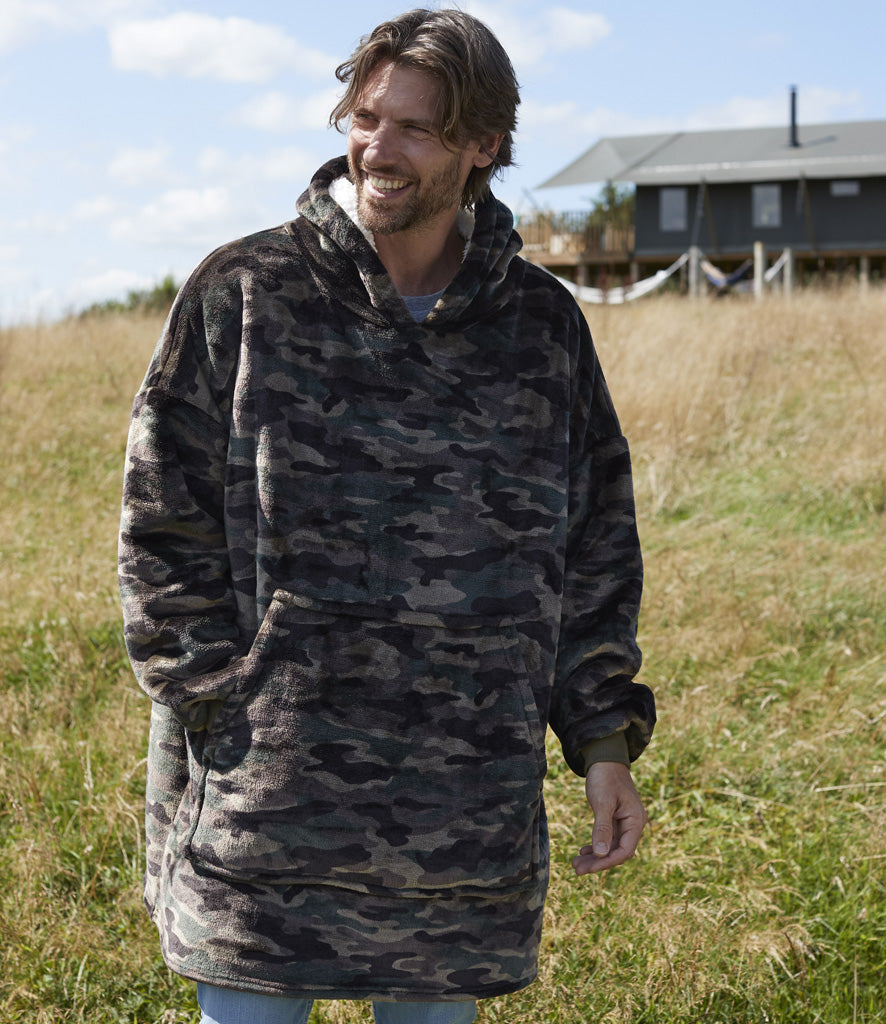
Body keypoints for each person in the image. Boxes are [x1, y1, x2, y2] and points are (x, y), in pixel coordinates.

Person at [118, 9, 656, 1024]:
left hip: (461, 837)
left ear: (483, 144)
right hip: (263, 827)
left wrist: (602, 742)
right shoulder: (244, 293)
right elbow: (160, 525)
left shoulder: (541, 329)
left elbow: (594, 549)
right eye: (366, 118)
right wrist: (230, 702)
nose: (379, 148)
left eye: (416, 128)